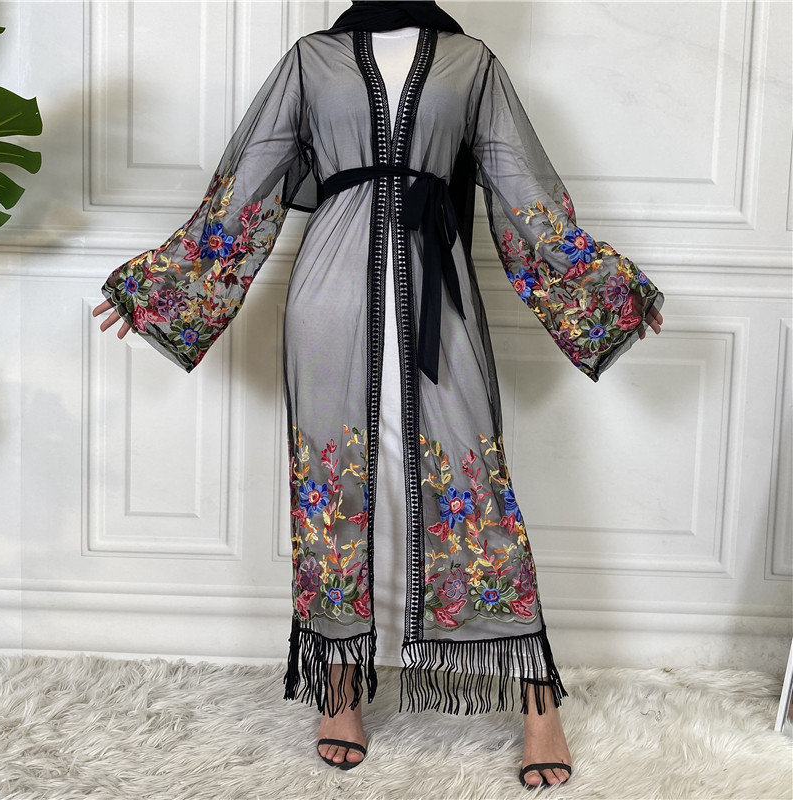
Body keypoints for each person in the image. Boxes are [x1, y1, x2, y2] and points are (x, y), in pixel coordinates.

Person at [92, 1, 664, 788]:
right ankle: (339, 688)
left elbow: (524, 193)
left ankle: (539, 704)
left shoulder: (471, 63)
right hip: (328, 300)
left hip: (437, 294)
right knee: (331, 492)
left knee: (478, 492)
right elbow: (244, 187)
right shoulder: (311, 60)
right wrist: (162, 286)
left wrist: (607, 289)